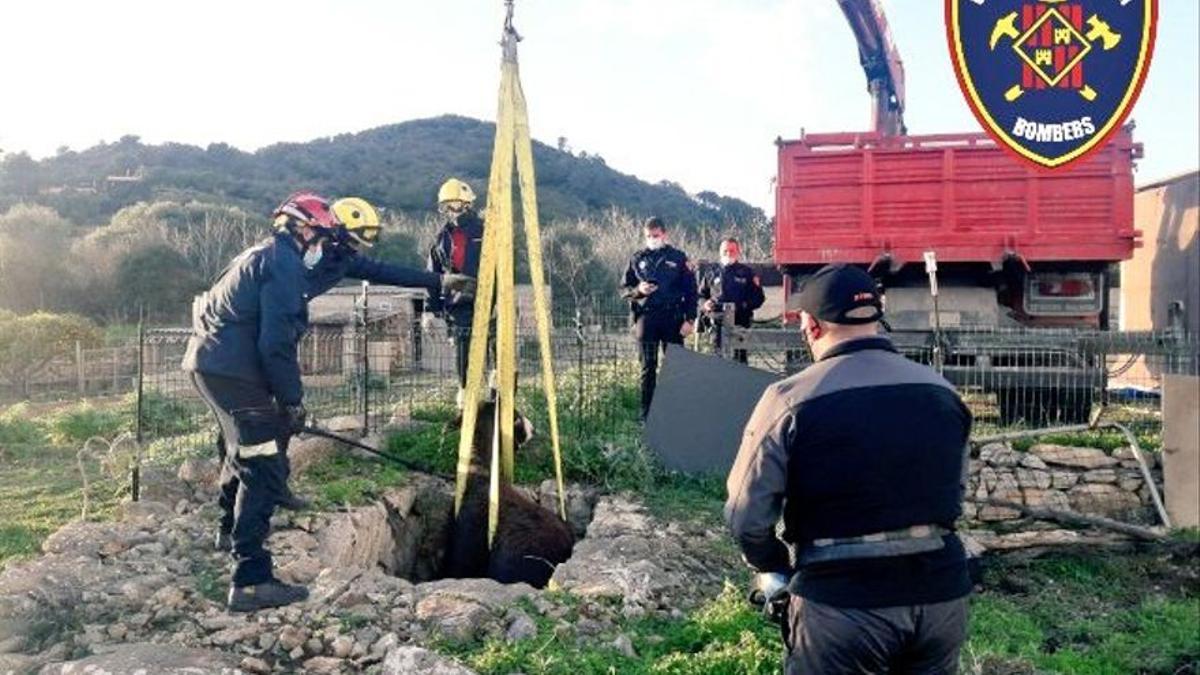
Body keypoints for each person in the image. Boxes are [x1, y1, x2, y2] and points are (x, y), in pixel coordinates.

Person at [183, 192, 472, 612]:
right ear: (307, 231)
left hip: (216, 365)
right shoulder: (283, 264)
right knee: (260, 460)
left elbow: (380, 269)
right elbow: (276, 341)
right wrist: (292, 400)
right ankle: (250, 579)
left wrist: (438, 281)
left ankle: (231, 528)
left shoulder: (271, 254)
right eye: (323, 235)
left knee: (244, 450)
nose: (331, 245)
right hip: (234, 368)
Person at [724, 263, 973, 674]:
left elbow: (745, 515)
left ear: (811, 326)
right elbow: (957, 491)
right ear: (876, 317)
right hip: (941, 599)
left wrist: (774, 563)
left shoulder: (788, 399)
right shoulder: (943, 393)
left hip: (841, 605)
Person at [620, 217, 698, 419]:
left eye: (655, 236)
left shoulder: (679, 258)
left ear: (664, 234)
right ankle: (647, 413)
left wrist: (690, 320)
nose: (652, 239)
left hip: (673, 317)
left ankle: (676, 411)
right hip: (647, 317)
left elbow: (691, 291)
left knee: (676, 365)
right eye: (648, 236)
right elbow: (624, 289)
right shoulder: (637, 258)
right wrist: (639, 290)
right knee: (648, 366)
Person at [424, 178, 488, 405]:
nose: (452, 210)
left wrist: (501, 298)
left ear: (467, 204)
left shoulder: (486, 230)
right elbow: (433, 274)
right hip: (459, 301)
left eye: (456, 204)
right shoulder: (442, 238)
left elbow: (503, 265)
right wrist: (429, 310)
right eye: (447, 205)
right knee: (464, 349)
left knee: (494, 344)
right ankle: (466, 395)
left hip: (488, 298)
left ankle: (496, 390)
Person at [697, 237, 765, 364]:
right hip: (716, 326)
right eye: (725, 251)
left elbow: (759, 298)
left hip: (740, 324)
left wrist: (743, 306)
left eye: (732, 251)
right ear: (720, 252)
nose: (728, 254)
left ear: (738, 252)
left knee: (740, 365)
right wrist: (705, 304)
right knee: (717, 364)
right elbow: (700, 296)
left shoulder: (747, 273)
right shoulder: (711, 272)